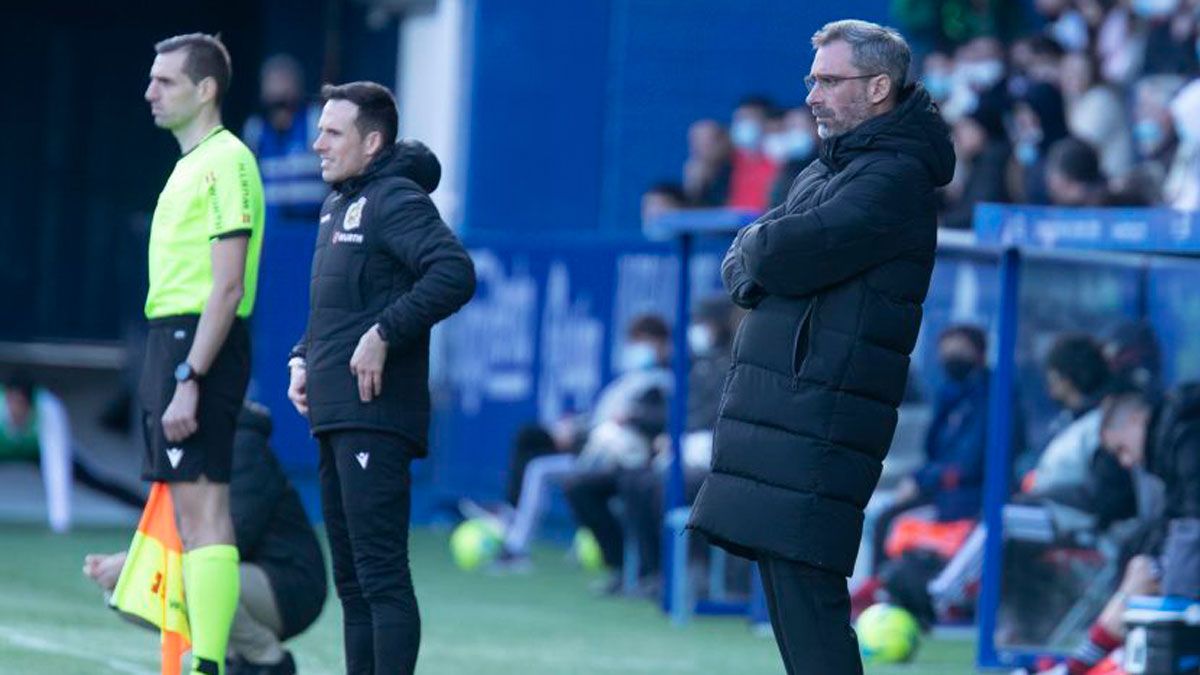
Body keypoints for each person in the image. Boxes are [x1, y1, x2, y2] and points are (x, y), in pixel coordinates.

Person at [689, 19, 954, 674]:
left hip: (823, 414)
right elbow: (748, 258)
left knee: (810, 600)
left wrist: (758, 251)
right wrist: (758, 252)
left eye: (830, 81)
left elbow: (778, 248)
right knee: (795, 593)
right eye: (812, 80)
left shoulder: (895, 177)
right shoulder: (830, 168)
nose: (811, 95)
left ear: (879, 87)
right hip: (794, 413)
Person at [286, 81, 475, 674]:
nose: (317, 144)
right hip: (336, 410)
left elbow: (454, 272)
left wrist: (384, 334)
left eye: (332, 132)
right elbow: (340, 305)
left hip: (375, 414)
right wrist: (302, 356)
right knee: (354, 582)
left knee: (381, 576)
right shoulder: (337, 202)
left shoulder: (394, 198)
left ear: (371, 143)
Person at [141, 33, 265, 675]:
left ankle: (209, 662)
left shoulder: (227, 161)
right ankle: (201, 656)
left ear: (206, 89)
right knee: (189, 509)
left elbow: (229, 284)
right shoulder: (190, 163)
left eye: (165, 81)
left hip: (198, 342)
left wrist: (191, 376)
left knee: (205, 505)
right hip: (173, 337)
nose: (150, 92)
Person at [84, 403, 327, 675]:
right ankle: (233, 652)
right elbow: (177, 532)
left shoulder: (242, 447)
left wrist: (137, 564)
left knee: (194, 577)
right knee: (127, 591)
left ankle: (264, 656)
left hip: (289, 585)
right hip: (243, 574)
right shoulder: (193, 449)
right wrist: (132, 566)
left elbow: (232, 538)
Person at [494, 314, 674, 576]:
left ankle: (516, 542)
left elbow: (655, 420)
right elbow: (603, 416)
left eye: (643, 342)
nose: (637, 349)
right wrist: (577, 427)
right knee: (531, 442)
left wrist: (631, 418)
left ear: (661, 343)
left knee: (544, 470)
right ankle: (512, 524)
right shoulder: (631, 378)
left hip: (626, 457)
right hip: (594, 448)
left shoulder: (666, 381)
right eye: (634, 342)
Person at [0, 373, 144, 532]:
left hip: (40, 451)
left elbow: (57, 467)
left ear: (30, 404)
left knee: (94, 480)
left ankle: (146, 507)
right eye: (11, 402)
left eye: (20, 403)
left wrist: (60, 523)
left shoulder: (48, 407)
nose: (15, 409)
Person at [242, 55, 326, 222]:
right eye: (273, 83)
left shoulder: (316, 119)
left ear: (297, 86)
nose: (280, 91)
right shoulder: (255, 129)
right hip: (271, 229)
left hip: (312, 226)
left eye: (285, 82)